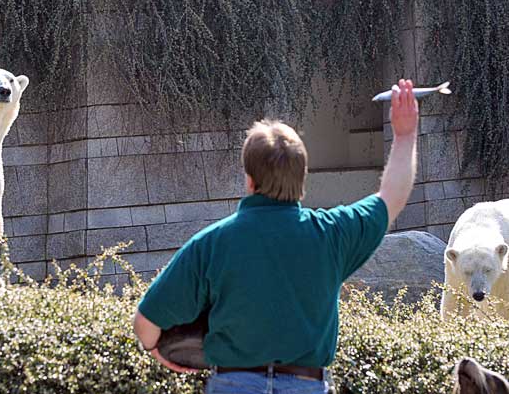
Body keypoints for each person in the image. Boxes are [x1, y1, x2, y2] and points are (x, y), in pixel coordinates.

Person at [133, 79, 419, 393]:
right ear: (302, 177)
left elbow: (145, 324)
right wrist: (405, 134)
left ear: (250, 180)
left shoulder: (210, 244)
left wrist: (161, 350)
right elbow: (391, 197)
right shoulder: (333, 234)